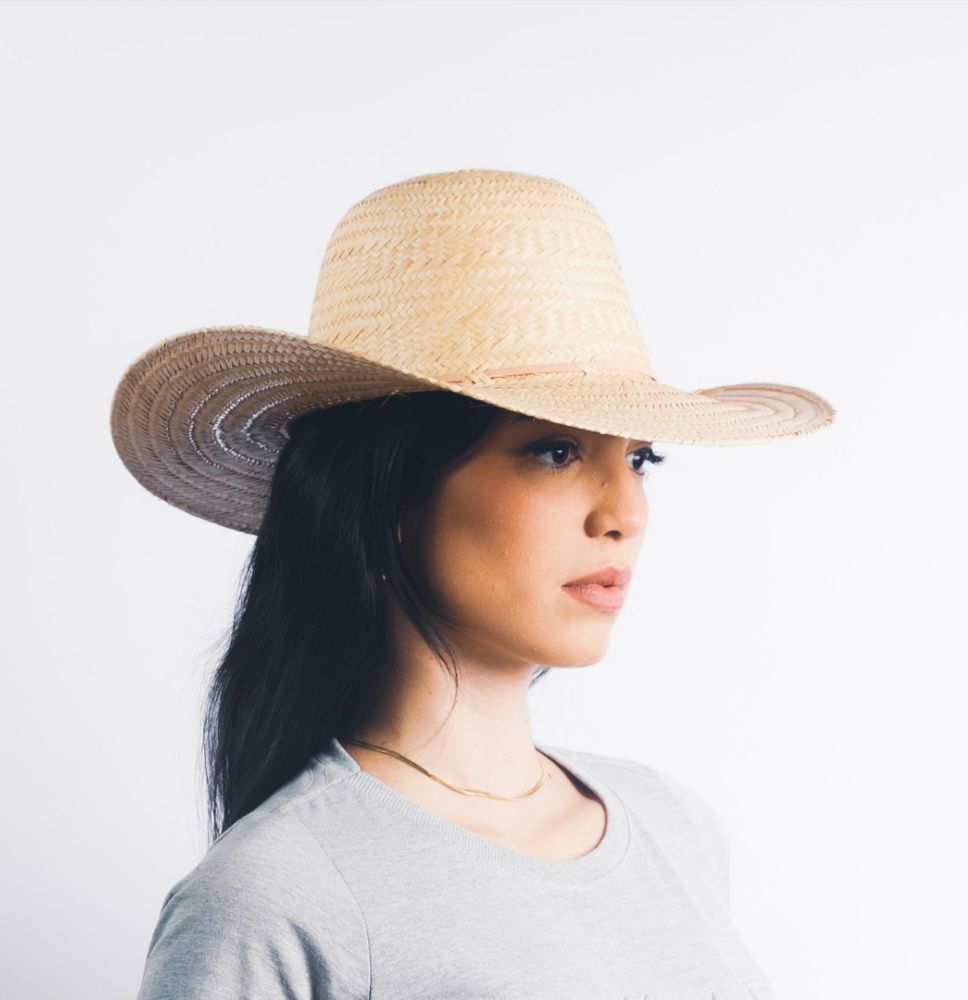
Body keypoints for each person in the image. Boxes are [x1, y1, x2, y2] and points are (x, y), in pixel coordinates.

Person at [110, 168, 835, 999]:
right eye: (556, 451)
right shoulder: (277, 899)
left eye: (640, 459)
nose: (624, 513)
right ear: (389, 497)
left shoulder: (672, 826)